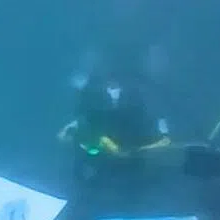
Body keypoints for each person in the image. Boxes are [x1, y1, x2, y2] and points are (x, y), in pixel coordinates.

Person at [57, 61, 172, 190]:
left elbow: (156, 116)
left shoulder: (136, 97)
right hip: (108, 149)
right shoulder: (94, 97)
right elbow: (87, 119)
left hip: (128, 146)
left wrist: (163, 136)